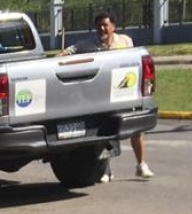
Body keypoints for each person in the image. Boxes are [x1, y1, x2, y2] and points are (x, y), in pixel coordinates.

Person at [62, 12, 153, 180]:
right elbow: (66, 53)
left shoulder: (125, 41)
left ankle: (141, 165)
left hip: (126, 92)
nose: (102, 29)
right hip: (103, 98)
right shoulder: (88, 45)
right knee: (106, 134)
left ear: (113, 27)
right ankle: (106, 169)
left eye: (105, 25)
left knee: (137, 130)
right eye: (99, 26)